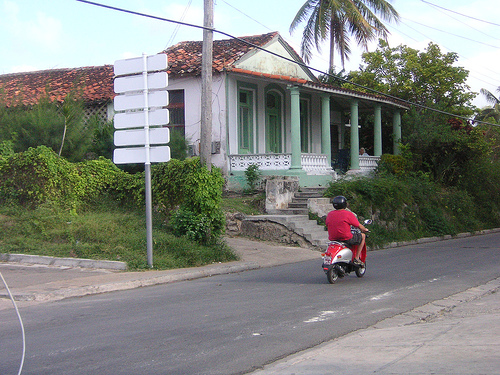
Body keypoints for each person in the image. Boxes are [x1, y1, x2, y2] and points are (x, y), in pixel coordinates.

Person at [325, 196, 369, 265]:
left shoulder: (330, 214)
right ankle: (357, 258)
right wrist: (365, 229)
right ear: (345, 204)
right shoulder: (348, 214)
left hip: (333, 238)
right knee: (363, 236)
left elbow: (327, 224)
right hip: (346, 238)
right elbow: (358, 225)